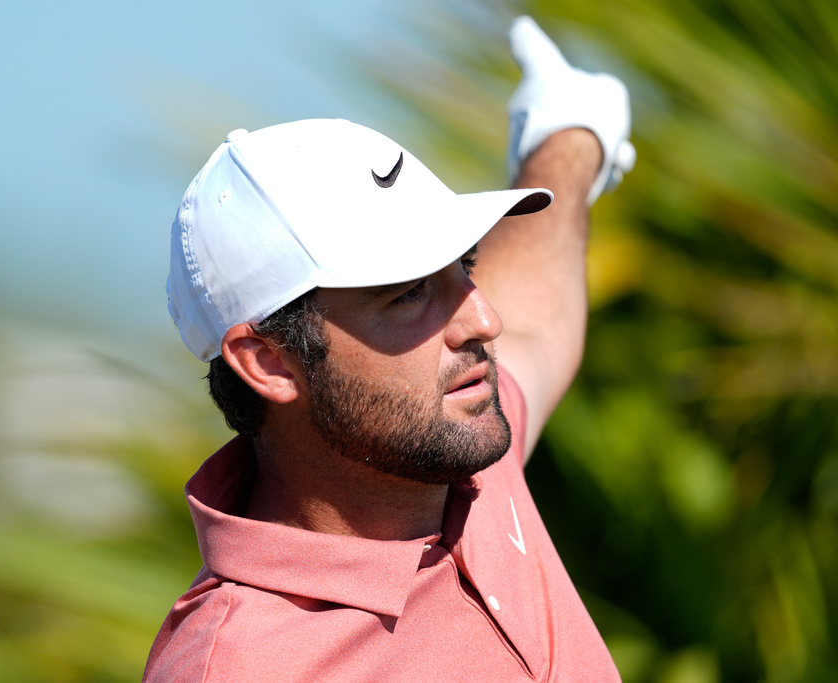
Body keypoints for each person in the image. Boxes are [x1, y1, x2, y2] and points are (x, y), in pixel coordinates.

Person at [144, 16, 635, 682]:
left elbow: (535, 315)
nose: (482, 319)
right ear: (269, 361)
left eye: (464, 268)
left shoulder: (460, 454)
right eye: (407, 295)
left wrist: (570, 135)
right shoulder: (237, 667)